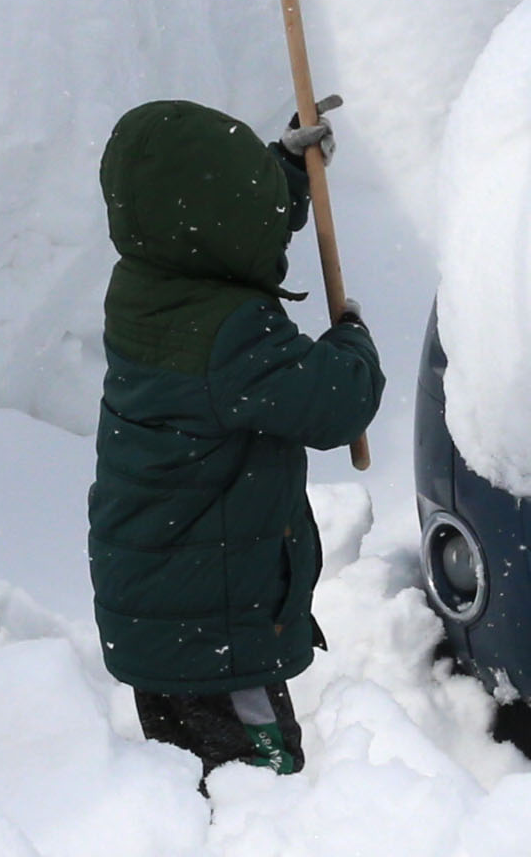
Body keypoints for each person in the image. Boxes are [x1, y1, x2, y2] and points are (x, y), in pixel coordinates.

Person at [85, 99, 383, 775]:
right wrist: (353, 338)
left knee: (188, 786)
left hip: (164, 609)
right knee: (259, 793)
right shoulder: (229, 335)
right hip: (209, 629)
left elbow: (219, 233)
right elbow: (337, 404)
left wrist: (286, 172)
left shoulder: (149, 282)